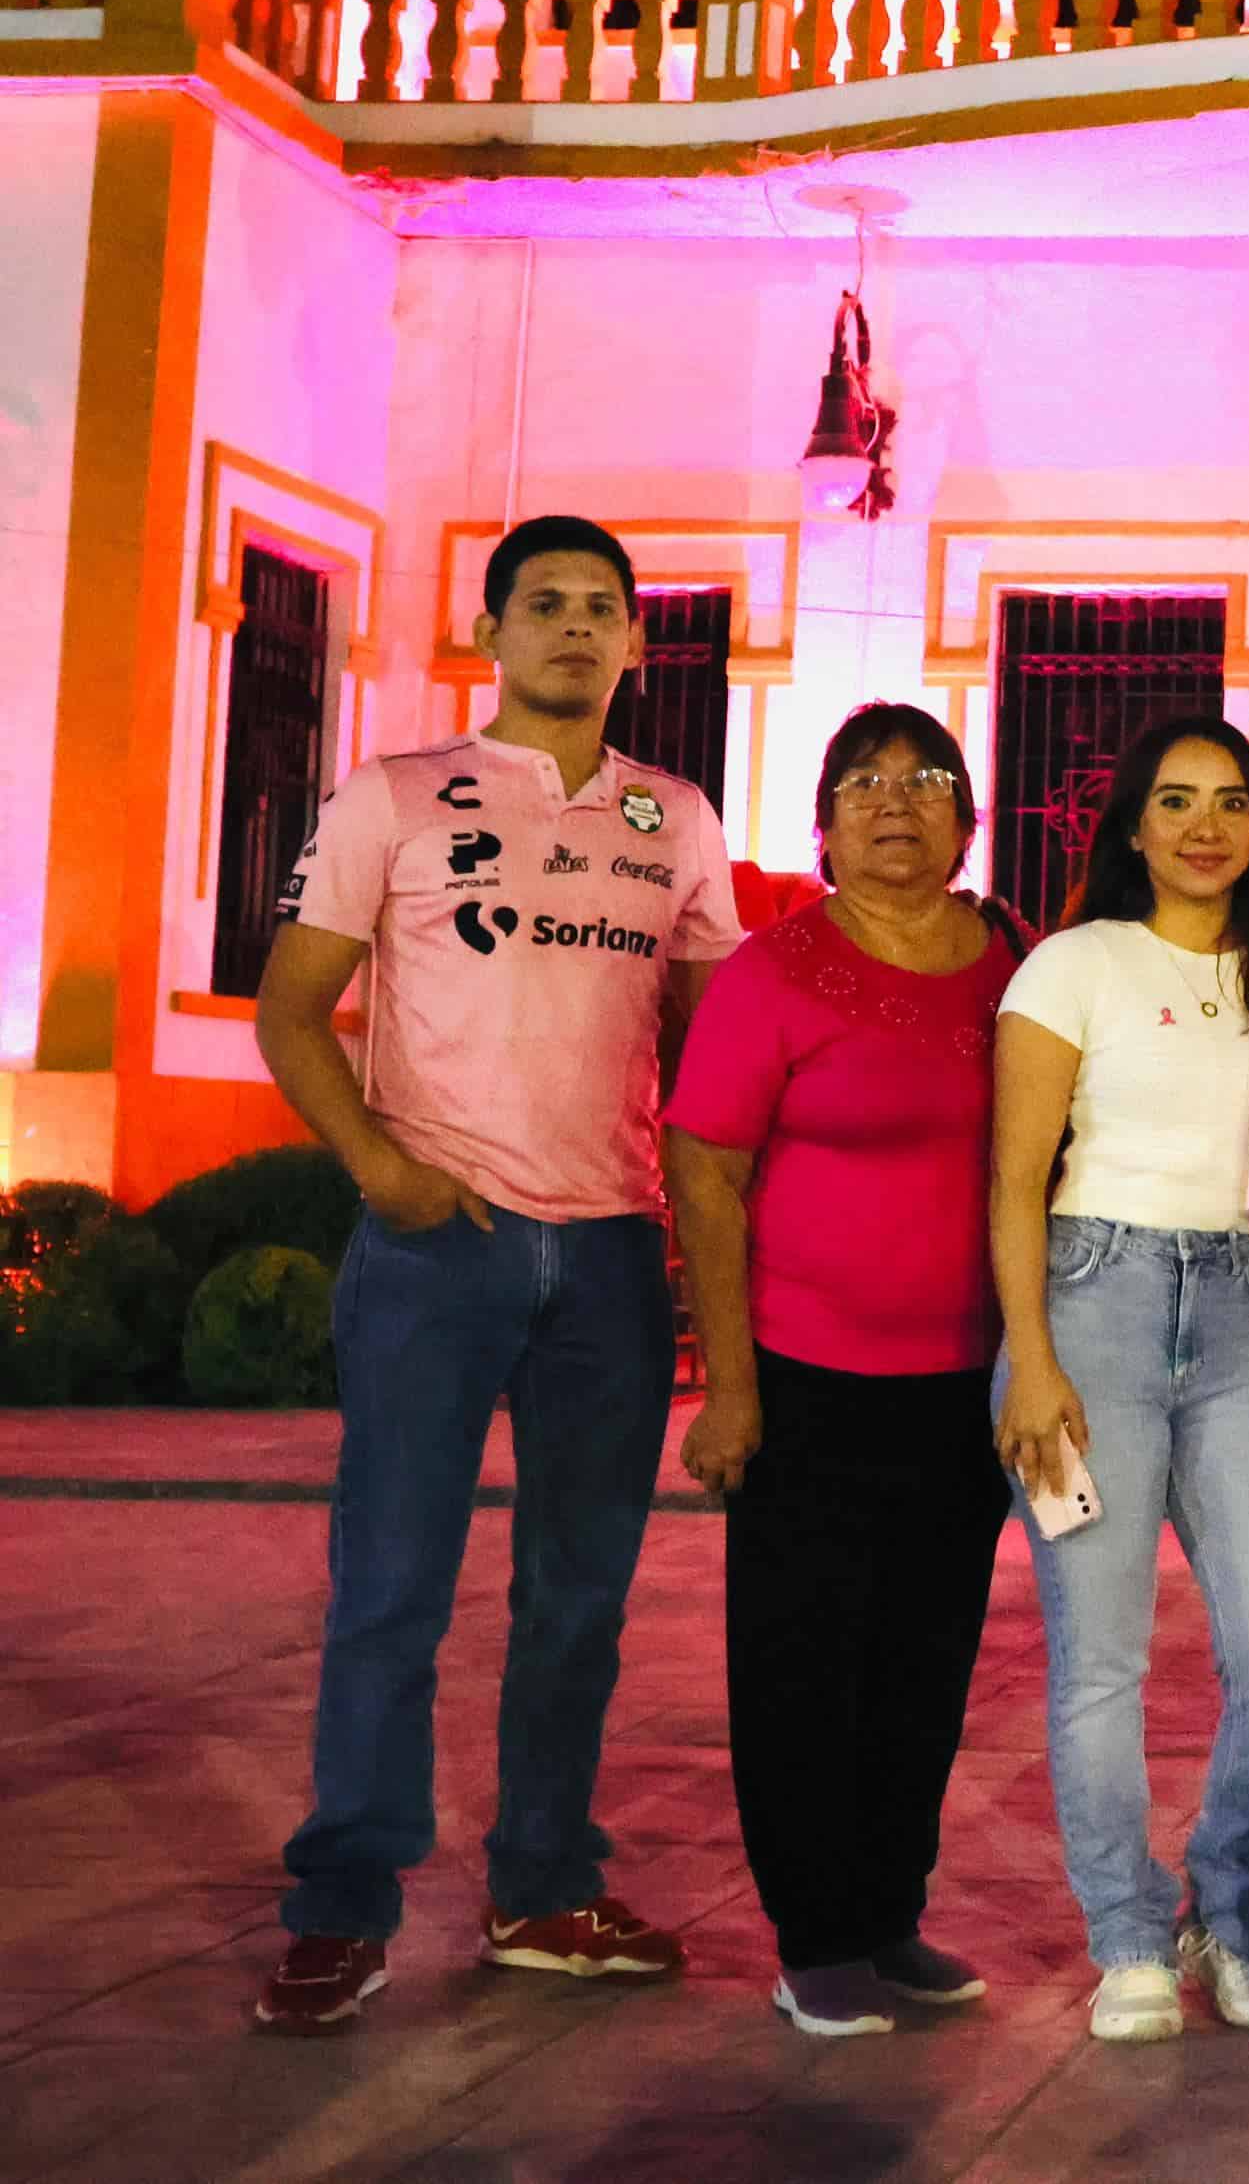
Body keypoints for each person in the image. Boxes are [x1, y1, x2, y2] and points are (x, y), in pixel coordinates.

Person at [248, 517, 743, 2033]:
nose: (577, 628)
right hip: (432, 1246)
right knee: (391, 1586)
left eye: (605, 608)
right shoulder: (399, 793)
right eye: (547, 604)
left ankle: (541, 1885)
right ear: (493, 627)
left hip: (606, 1255)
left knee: (578, 1599)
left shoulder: (675, 821)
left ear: (639, 645)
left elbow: (712, 1052)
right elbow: (291, 1011)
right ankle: (345, 1903)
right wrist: (381, 1168)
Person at [666, 704, 1027, 2038]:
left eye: (927, 780)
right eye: (864, 781)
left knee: (926, 1662)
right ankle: (815, 1934)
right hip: (808, 1379)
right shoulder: (776, 970)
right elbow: (703, 1168)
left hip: (965, 1385)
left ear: (965, 817)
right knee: (801, 1659)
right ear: (824, 823)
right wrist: (732, 1384)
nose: (896, 803)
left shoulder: (1010, 957)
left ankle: (888, 1911)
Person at [987, 716, 1249, 2046]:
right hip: (1090, 1300)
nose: (1202, 824)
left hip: (1248, 1312)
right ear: (1132, 825)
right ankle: (1127, 1935)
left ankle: (1228, 1916)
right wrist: (1032, 1361)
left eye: (1230, 801)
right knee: (1100, 1660)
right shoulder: (1074, 965)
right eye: (1174, 800)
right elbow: (1014, 1173)